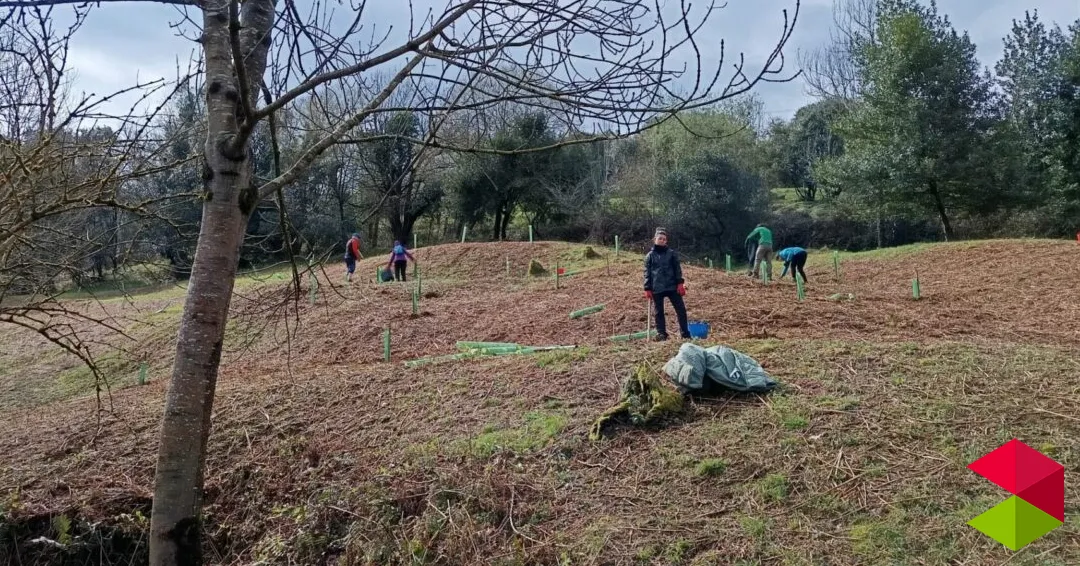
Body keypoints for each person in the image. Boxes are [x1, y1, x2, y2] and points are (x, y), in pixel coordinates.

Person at [643, 227, 690, 341]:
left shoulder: (671, 254)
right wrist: (647, 288)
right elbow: (647, 273)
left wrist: (680, 283)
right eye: (660, 239)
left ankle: (685, 334)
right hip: (657, 288)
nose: (662, 241)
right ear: (655, 239)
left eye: (664, 239)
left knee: (681, 310)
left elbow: (677, 269)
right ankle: (662, 334)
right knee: (659, 312)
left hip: (672, 286)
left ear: (666, 241)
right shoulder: (650, 256)